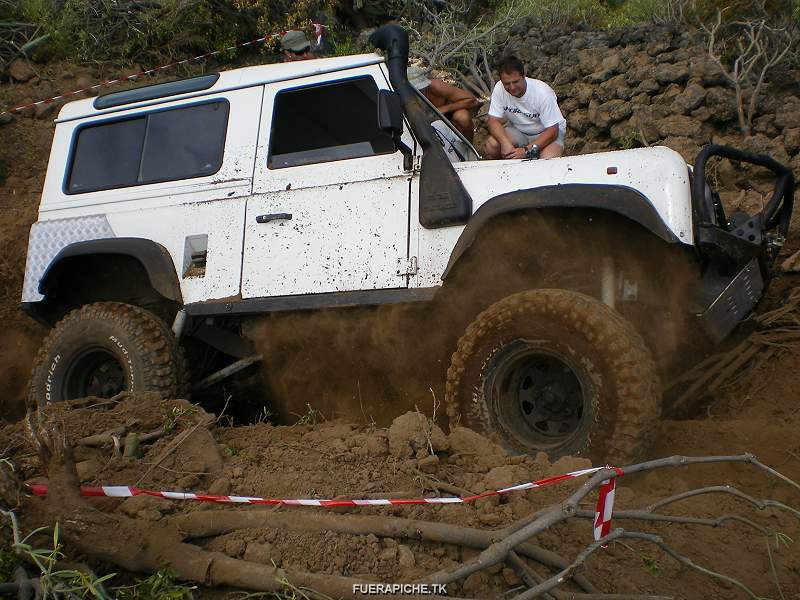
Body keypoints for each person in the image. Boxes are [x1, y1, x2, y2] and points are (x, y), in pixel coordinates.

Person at [484, 56, 566, 160]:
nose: (512, 87)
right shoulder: (499, 88)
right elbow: (493, 121)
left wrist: (526, 151)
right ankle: (508, 169)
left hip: (546, 133)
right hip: (520, 131)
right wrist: (505, 143)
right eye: (507, 84)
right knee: (493, 145)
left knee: (547, 159)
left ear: (523, 76)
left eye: (516, 82)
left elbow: (552, 131)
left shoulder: (542, 92)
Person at [407, 66, 480, 143]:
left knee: (462, 117)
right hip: (423, 124)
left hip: (446, 118)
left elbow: (472, 100)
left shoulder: (435, 87)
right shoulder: (402, 96)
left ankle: (469, 148)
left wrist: (445, 109)